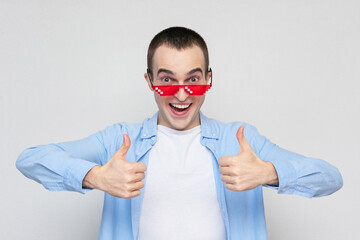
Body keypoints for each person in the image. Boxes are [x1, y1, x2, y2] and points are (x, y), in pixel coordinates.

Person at [16, 26, 343, 240]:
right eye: (167, 79)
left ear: (209, 79)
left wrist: (270, 172)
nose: (182, 94)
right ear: (149, 81)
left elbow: (330, 178)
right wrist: (94, 177)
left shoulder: (241, 141)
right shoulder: (120, 141)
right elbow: (30, 159)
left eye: (194, 79)